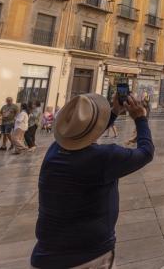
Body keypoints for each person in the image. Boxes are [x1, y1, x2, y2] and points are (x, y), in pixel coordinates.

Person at [31, 93, 154, 268]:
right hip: (88, 257)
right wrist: (140, 118)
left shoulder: (54, 152)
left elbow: (82, 133)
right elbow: (146, 152)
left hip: (44, 256)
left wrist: (114, 111)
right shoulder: (102, 158)